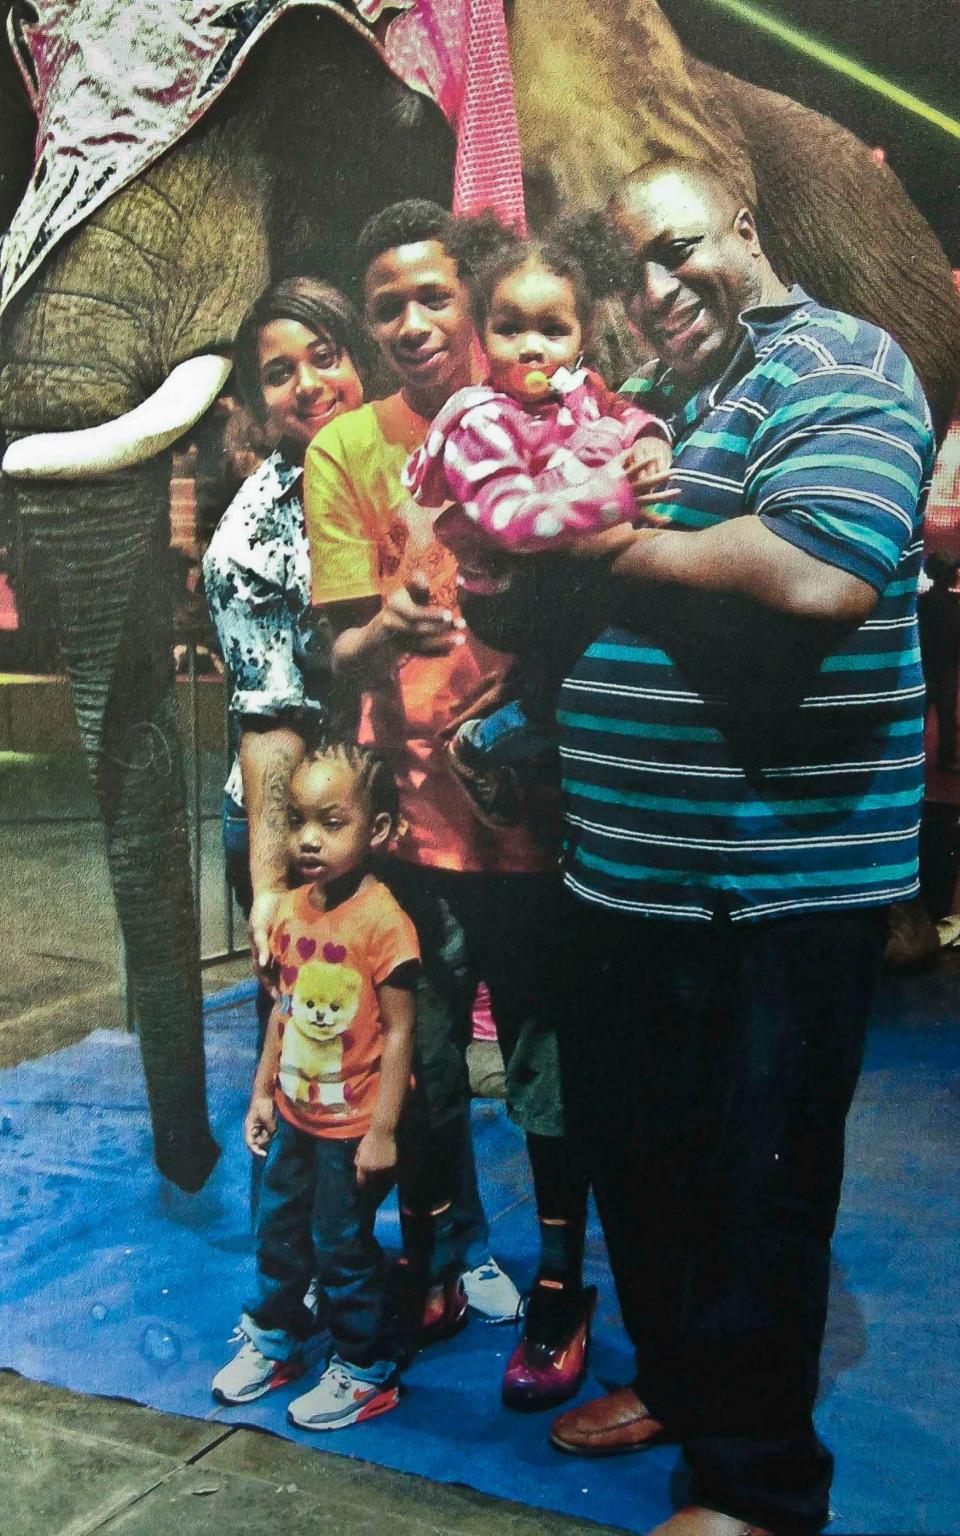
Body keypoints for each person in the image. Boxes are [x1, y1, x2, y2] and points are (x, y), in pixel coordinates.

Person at [523, 160, 933, 1535]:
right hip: (626, 878)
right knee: (646, 1165)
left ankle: (757, 1486)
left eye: (679, 248)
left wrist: (599, 547)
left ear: (747, 226)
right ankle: (691, 1387)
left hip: (776, 883)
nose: (656, 288)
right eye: (631, 270)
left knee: (760, 1185)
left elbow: (816, 573)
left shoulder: (839, 362)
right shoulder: (660, 405)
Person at [300, 200, 594, 1411]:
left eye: (434, 296)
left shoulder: (554, 414)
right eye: (388, 307)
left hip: (530, 817)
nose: (414, 322)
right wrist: (388, 631)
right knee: (414, 1066)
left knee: (544, 1066)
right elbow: (336, 656)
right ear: (367, 327)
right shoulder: (346, 452)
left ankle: (564, 1284)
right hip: (409, 831)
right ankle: (431, 1256)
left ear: (474, 303)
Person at [203, 277, 511, 1322]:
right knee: (301, 1059)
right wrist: (271, 889)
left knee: (415, 1047)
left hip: (400, 808)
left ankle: (450, 1246)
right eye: (278, 372)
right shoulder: (250, 535)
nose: (308, 383)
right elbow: (267, 726)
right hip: (299, 826)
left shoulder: (417, 457)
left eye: (324, 352)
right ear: (254, 402)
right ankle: (286, 1298)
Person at [403, 218, 672, 827]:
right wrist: (615, 492)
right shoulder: (479, 420)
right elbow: (512, 520)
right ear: (481, 333)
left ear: (583, 337)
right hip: (508, 593)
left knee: (581, 657)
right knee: (577, 683)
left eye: (553, 330)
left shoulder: (578, 391)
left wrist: (650, 437)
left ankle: (521, 717)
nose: (532, 347)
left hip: (551, 573)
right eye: (510, 329)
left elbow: (621, 412)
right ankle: (480, 746)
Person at [212, 741, 421, 1430]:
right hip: (295, 1119)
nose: (308, 839)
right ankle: (277, 1339)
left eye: (332, 823)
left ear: (381, 831)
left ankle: (365, 1366)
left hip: (352, 1126)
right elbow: (284, 1009)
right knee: (277, 1229)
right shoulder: (293, 911)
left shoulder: (385, 924)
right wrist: (263, 1093)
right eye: (299, 820)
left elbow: (398, 1033)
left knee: (341, 1244)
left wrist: (383, 1132)